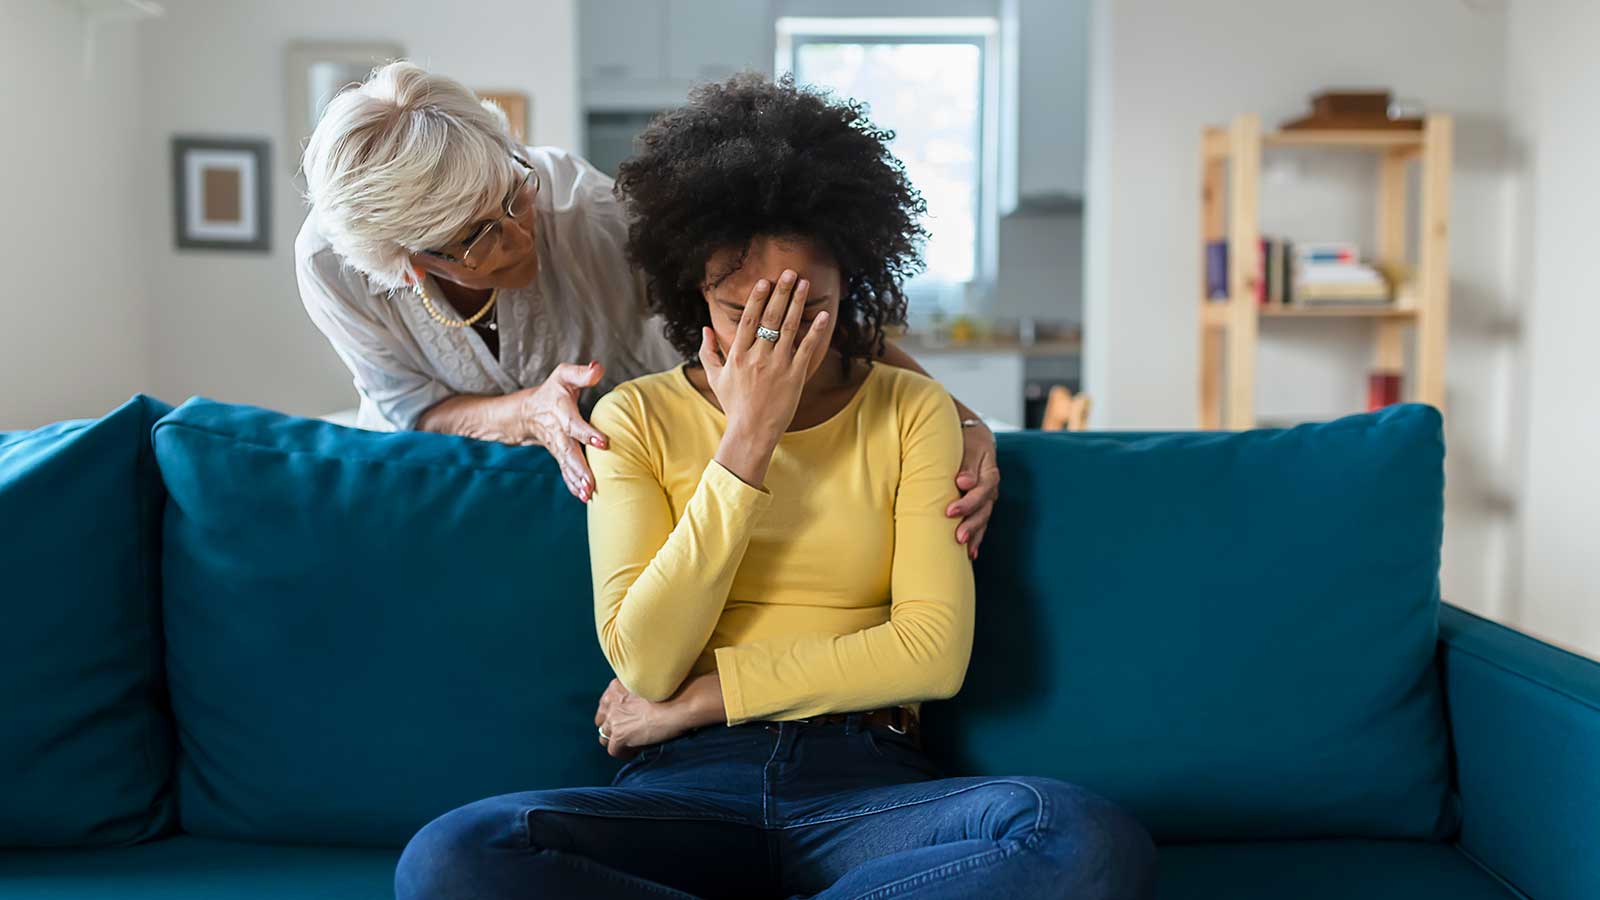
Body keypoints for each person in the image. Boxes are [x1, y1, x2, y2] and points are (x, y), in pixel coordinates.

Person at [394, 75, 1155, 900]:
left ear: (852, 289)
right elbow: (645, 660)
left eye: (808, 310)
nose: (773, 343)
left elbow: (932, 656)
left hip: (867, 789)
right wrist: (746, 443)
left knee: (1081, 839)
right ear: (692, 293)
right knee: (454, 859)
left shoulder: (912, 411)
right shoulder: (635, 418)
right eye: (738, 310)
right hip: (682, 789)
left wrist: (706, 699)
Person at [296, 61, 998, 557]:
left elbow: (788, 314)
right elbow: (409, 408)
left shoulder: (593, 212)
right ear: (411, 265)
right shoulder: (335, 270)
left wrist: (959, 418)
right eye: (479, 236)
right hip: (446, 493)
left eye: (514, 191)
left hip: (620, 494)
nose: (518, 233)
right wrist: (527, 414)